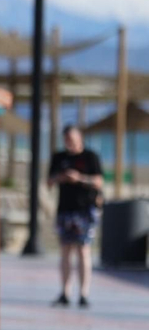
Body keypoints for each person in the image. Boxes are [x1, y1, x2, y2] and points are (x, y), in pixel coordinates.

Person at [49, 124, 104, 307]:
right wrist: (62, 178)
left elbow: (99, 181)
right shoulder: (59, 157)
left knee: (83, 250)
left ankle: (83, 293)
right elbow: (48, 181)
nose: (69, 143)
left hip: (85, 210)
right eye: (66, 139)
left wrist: (79, 178)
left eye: (72, 139)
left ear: (80, 138)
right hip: (64, 209)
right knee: (65, 251)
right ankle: (65, 292)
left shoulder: (90, 156)